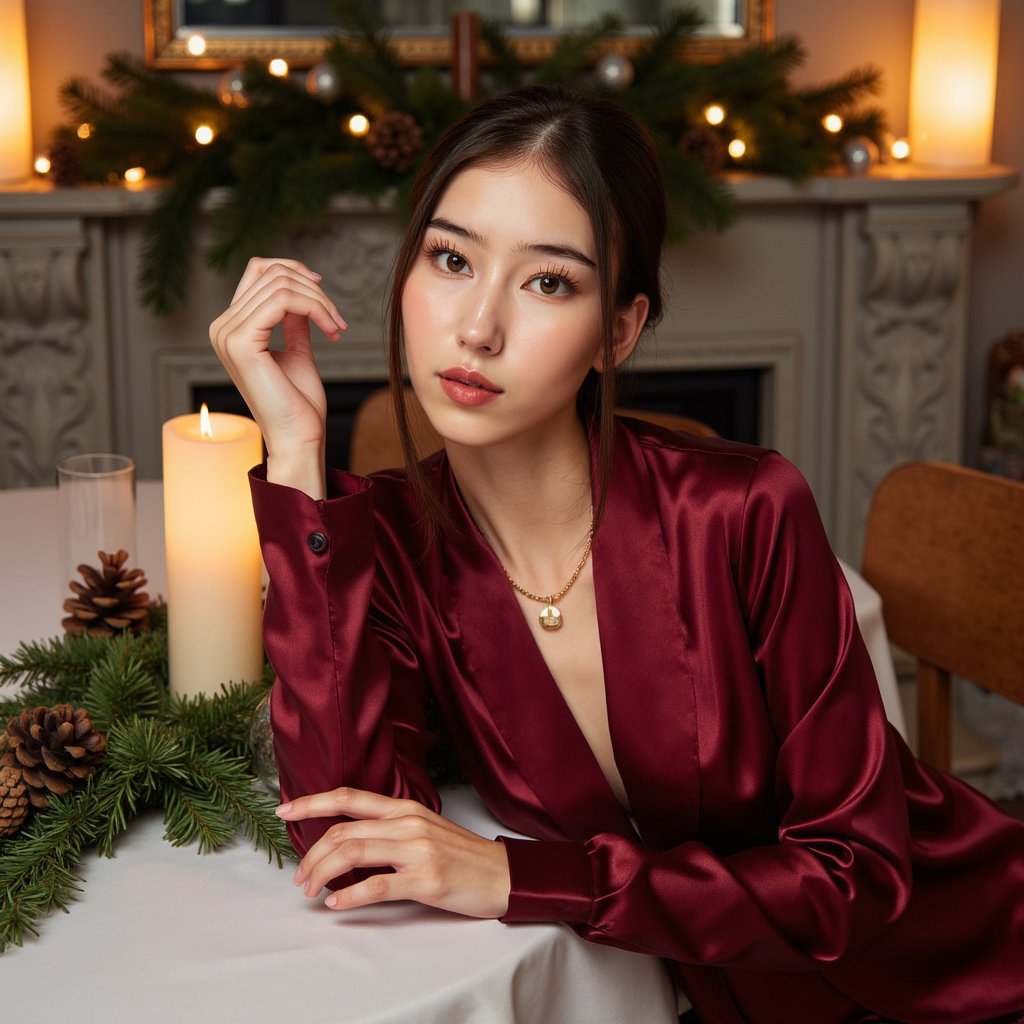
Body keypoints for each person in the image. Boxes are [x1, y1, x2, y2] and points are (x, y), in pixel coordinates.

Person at [210, 86, 1023, 1024]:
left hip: (949, 978)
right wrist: (296, 450)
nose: (478, 328)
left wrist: (521, 876)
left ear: (620, 332)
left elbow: (856, 879)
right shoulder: (389, 541)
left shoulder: (743, 511)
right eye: (451, 259)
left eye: (549, 282)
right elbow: (346, 834)